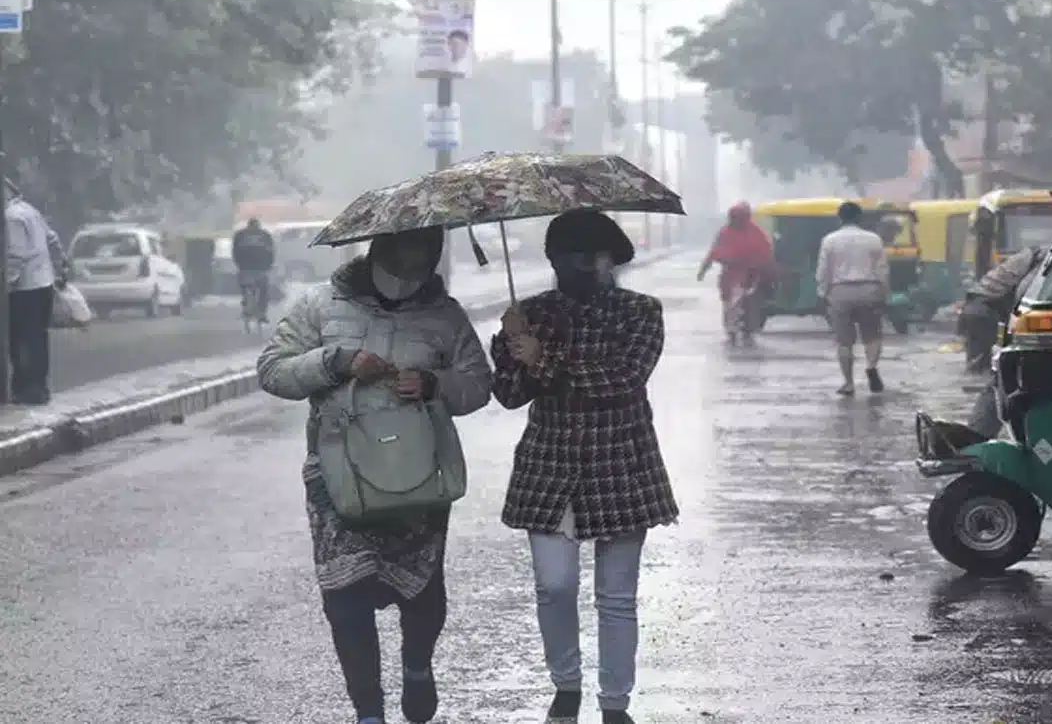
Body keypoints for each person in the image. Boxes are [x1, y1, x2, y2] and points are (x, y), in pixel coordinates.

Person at [257, 226, 491, 724]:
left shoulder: (445, 316)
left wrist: (434, 383)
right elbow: (273, 370)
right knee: (345, 598)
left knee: (423, 594)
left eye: (423, 262)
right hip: (339, 475)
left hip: (418, 475)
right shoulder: (322, 305)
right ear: (378, 253)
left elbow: (477, 385)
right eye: (401, 261)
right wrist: (334, 363)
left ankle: (417, 667)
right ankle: (368, 711)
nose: (409, 274)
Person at [491, 209, 678, 724]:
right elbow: (507, 395)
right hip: (549, 467)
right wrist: (510, 348)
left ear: (611, 258)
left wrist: (544, 361)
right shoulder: (529, 315)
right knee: (553, 586)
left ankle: (615, 703)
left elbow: (622, 379)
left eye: (591, 254)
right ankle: (565, 684)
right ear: (551, 258)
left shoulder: (639, 312)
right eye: (568, 254)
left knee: (616, 597)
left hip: (622, 464)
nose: (581, 265)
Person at [816, 201, 889, 395]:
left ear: (840, 218)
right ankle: (871, 366)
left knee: (844, 341)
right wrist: (883, 292)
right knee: (872, 335)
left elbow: (824, 271)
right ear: (859, 217)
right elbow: (882, 269)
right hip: (869, 289)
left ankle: (848, 383)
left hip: (840, 292)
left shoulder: (829, 240)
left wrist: (822, 294)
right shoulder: (873, 239)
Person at [5, 182, 68, 405]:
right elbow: (53, 240)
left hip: (24, 288)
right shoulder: (29, 210)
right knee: (37, 339)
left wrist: (6, 286)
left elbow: (15, 255)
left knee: (21, 340)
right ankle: (38, 388)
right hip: (43, 284)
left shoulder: (11, 217)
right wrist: (60, 268)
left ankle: (26, 390)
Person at [959, 245, 1047, 374]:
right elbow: (1020, 294)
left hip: (974, 307)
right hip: (983, 311)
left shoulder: (1022, 259)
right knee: (982, 361)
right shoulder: (1037, 263)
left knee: (978, 362)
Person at [697, 201, 774, 345]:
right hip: (730, 277)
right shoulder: (725, 233)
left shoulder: (755, 232)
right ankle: (732, 330)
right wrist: (703, 269)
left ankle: (748, 330)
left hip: (752, 276)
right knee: (730, 305)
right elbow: (714, 252)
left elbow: (765, 252)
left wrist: (764, 270)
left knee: (750, 304)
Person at [232, 218, 276, 323]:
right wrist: (269, 265)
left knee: (244, 286)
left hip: (244, 267)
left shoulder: (240, 235)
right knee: (264, 291)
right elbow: (271, 252)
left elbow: (234, 251)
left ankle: (246, 305)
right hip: (261, 267)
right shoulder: (265, 235)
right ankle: (262, 314)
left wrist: (238, 265)